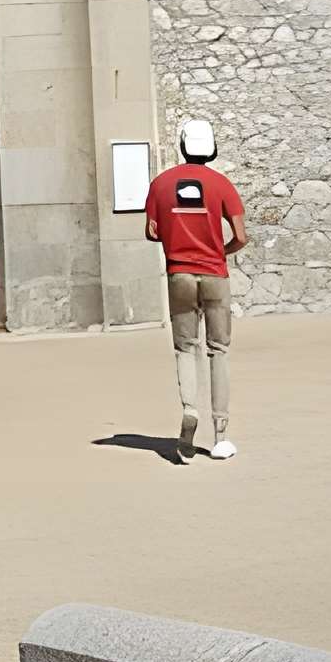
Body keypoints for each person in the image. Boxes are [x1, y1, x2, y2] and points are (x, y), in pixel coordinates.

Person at [143, 119, 246, 459]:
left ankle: (190, 407)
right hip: (215, 274)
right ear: (212, 148)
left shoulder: (160, 184)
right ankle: (221, 435)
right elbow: (240, 236)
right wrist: (220, 251)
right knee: (219, 349)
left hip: (179, 275)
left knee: (186, 348)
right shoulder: (221, 184)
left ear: (183, 146)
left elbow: (152, 231)